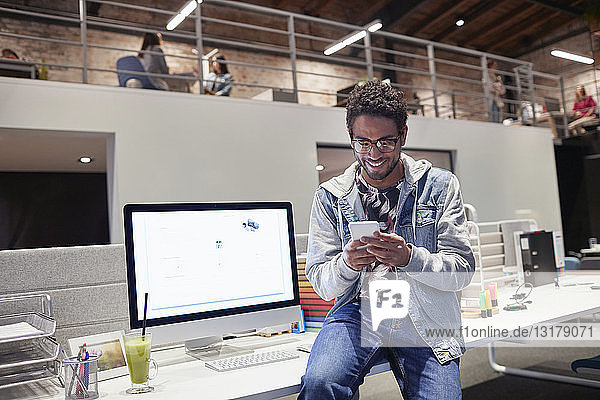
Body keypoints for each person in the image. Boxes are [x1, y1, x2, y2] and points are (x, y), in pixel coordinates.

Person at [299, 80, 475, 400]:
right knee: (321, 381)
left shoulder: (439, 186)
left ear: (403, 136)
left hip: (424, 311)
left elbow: (462, 269)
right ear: (351, 138)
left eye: (385, 142)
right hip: (359, 309)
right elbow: (323, 284)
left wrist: (410, 258)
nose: (374, 154)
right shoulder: (330, 197)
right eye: (362, 142)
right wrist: (348, 263)